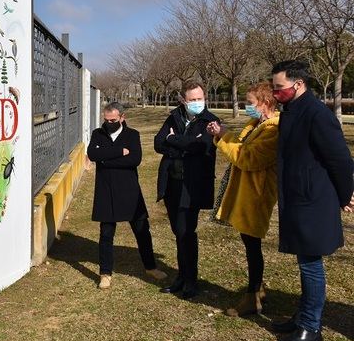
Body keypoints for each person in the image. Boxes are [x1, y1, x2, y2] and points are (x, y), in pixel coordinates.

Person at [269, 60, 354, 341]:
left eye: (279, 87)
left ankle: (310, 326)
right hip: (298, 197)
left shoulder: (317, 114)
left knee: (310, 264)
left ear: (298, 84)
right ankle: (302, 315)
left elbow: (340, 160)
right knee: (304, 261)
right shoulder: (292, 110)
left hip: (314, 200)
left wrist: (346, 195)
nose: (275, 92)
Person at [206, 82, 279, 317]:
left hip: (257, 195)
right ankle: (257, 289)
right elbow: (241, 144)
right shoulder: (257, 123)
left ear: (265, 103)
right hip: (247, 192)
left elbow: (248, 158)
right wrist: (223, 134)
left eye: (250, 103)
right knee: (250, 244)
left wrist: (223, 136)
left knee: (252, 244)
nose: (247, 107)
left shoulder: (273, 129)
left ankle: (252, 296)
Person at [87, 102, 167, 289]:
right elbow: (92, 153)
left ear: (122, 117)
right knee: (106, 234)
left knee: (142, 231)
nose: (109, 123)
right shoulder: (97, 134)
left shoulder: (133, 135)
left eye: (113, 120)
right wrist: (118, 152)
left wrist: (105, 158)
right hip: (106, 191)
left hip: (129, 190)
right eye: (106, 120)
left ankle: (150, 266)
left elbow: (134, 159)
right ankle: (105, 273)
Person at [154, 81, 219, 299]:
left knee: (186, 232)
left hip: (192, 185)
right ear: (183, 100)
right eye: (192, 100)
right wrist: (180, 143)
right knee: (177, 231)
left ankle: (191, 279)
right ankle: (182, 276)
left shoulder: (210, 121)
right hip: (172, 183)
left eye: (200, 98)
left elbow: (201, 147)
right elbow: (158, 142)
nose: (197, 103)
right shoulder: (174, 116)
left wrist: (173, 139)